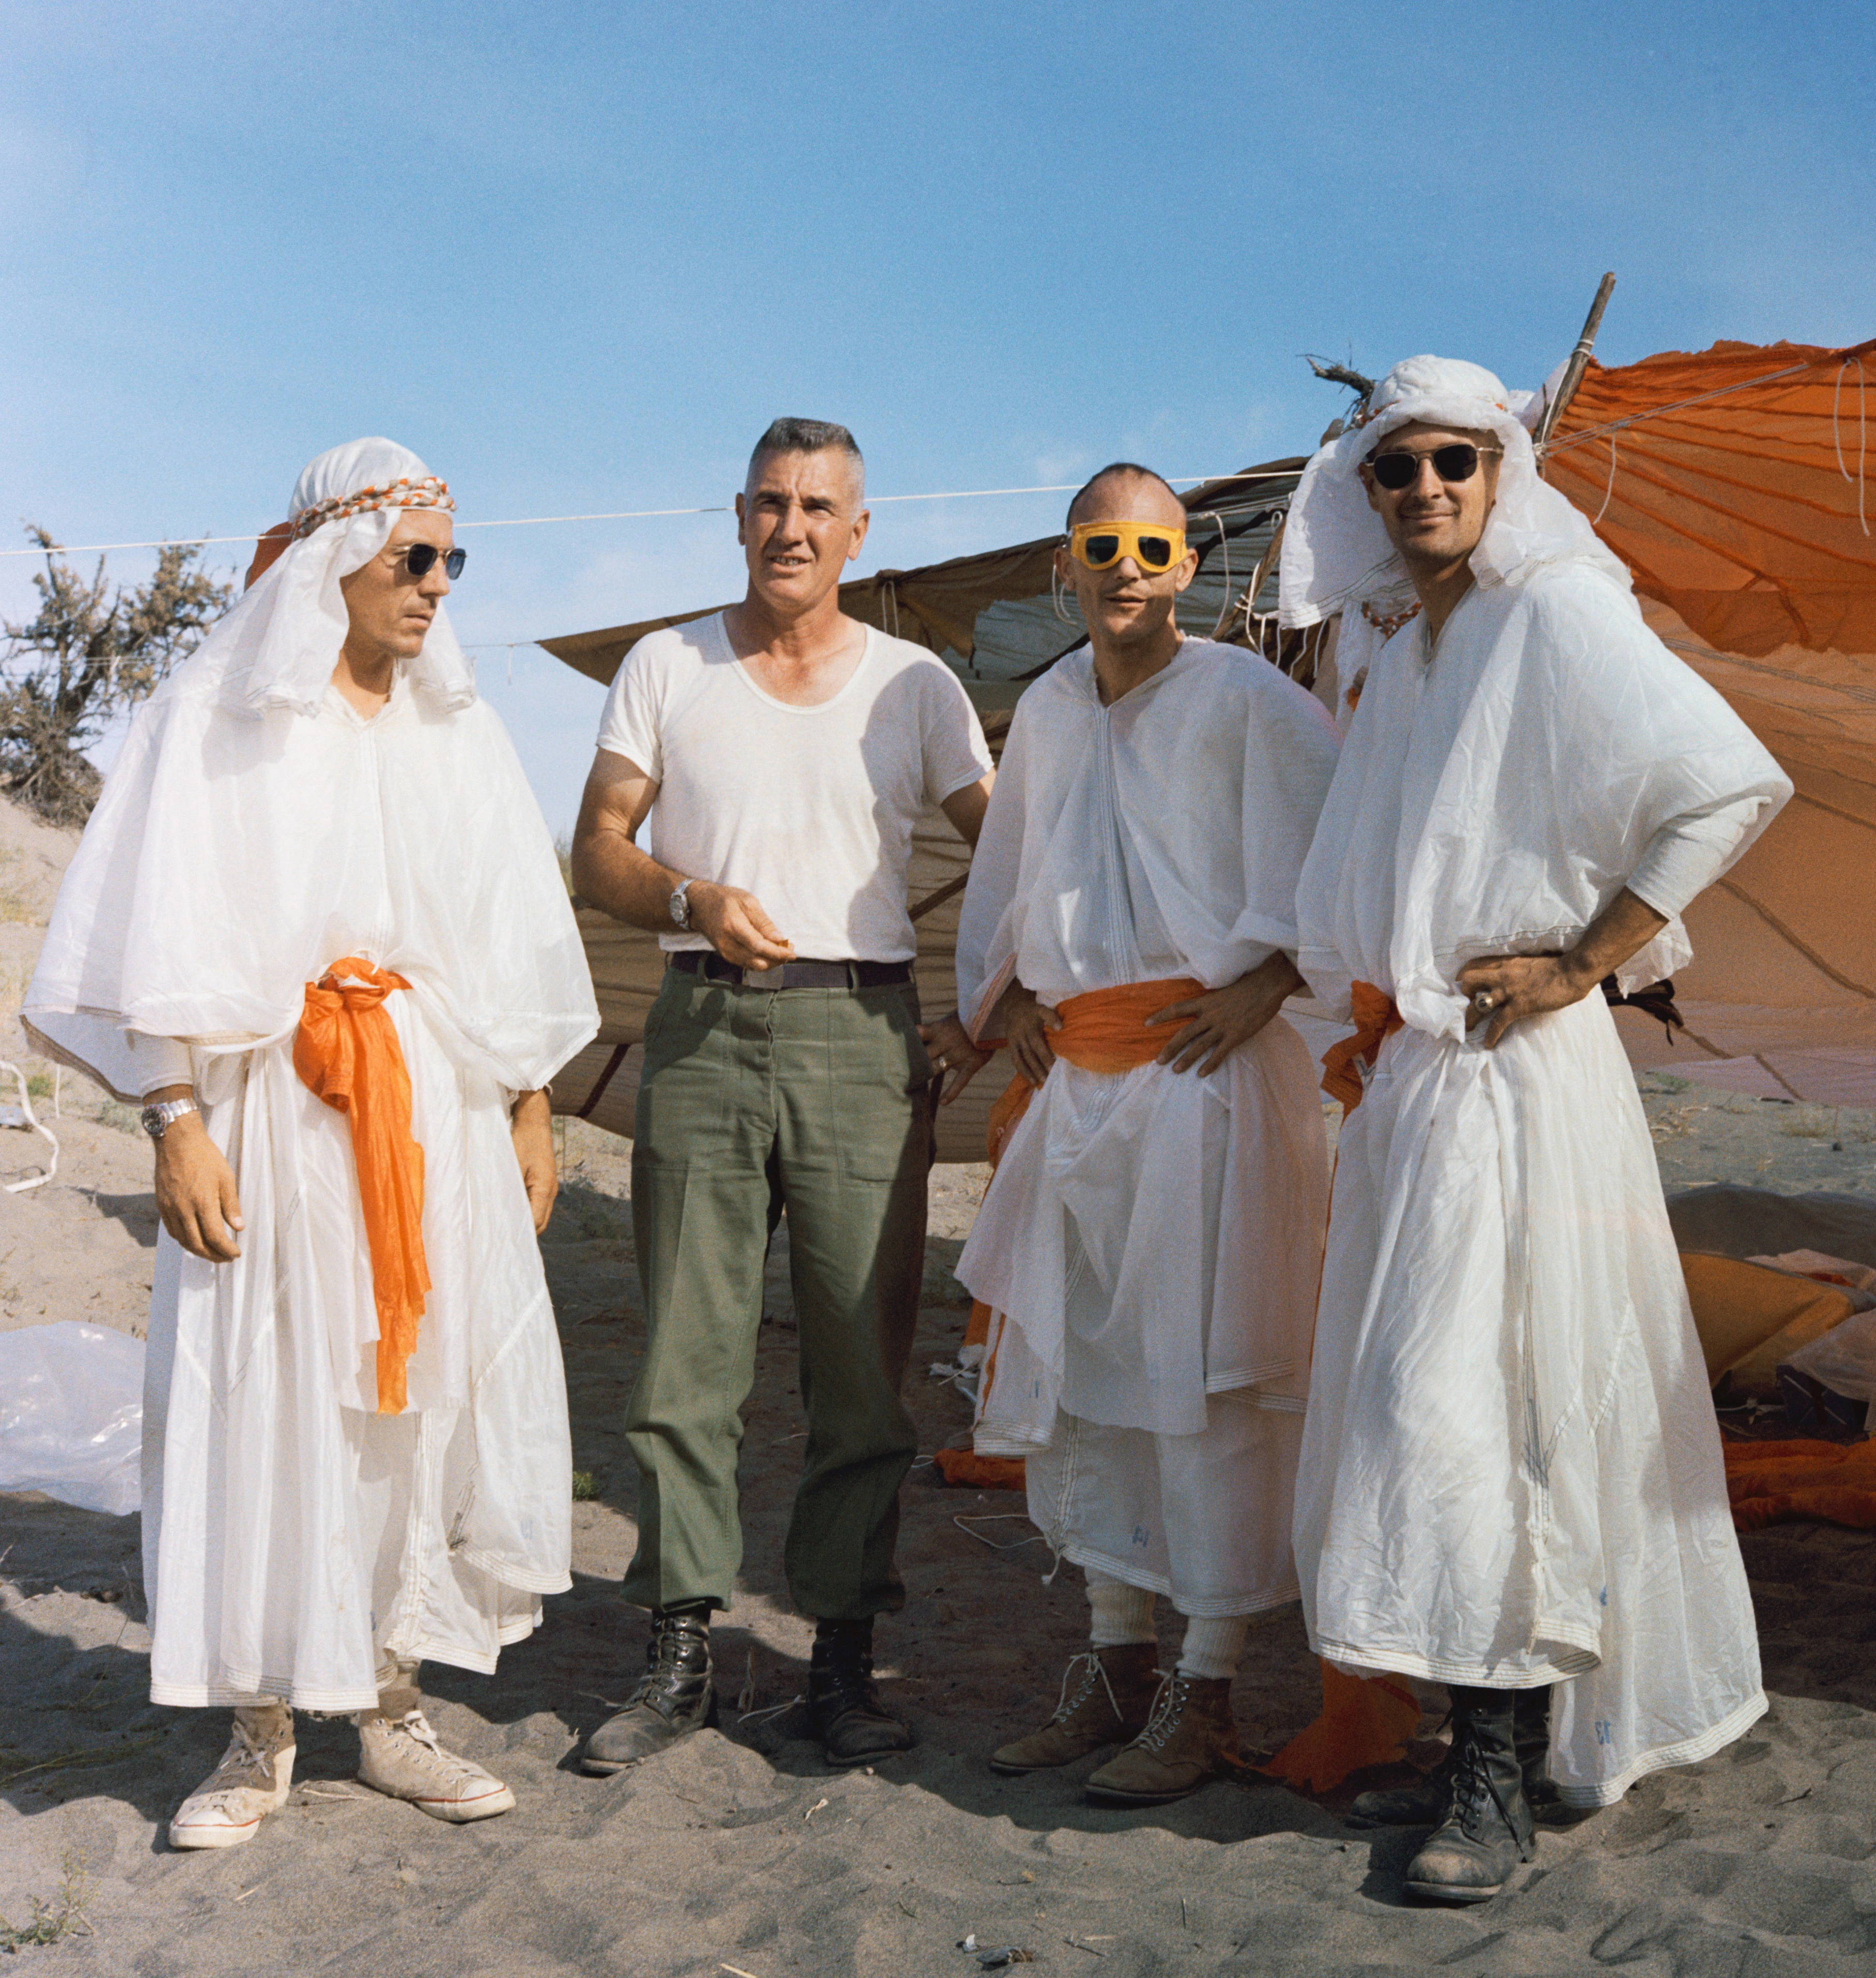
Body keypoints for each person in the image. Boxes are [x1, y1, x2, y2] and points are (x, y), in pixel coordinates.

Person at [27, 438, 599, 1849]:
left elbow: (508, 926)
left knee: (412, 1399)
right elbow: (151, 928)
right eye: (415, 557)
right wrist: (170, 1121)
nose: (436, 587)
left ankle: (392, 1705)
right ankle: (259, 1730)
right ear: (336, 552)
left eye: (452, 562)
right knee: (262, 1394)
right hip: (268, 1108)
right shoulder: (211, 716)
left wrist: (526, 1103)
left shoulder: (456, 729)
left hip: (431, 1109)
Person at [1281, 358, 1792, 1903]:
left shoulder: (1556, 612)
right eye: (1396, 466)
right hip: (1423, 1085)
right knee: (1416, 1410)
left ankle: (1497, 1774)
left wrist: (1589, 956)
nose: (1427, 486)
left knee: (1478, 1409)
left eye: (1456, 458)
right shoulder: (1407, 653)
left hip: (1518, 1075)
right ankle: (1468, 1739)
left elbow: (1728, 786)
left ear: (1499, 468)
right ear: (1365, 493)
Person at [569, 418, 993, 1774]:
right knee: (686, 1361)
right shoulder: (666, 665)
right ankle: (678, 1652)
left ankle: (843, 1664)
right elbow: (598, 852)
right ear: (736, 516)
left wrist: (990, 1014)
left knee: (861, 1374)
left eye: (820, 507)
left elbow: (1023, 845)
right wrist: (689, 897)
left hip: (864, 1035)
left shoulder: (917, 685)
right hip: (701, 1021)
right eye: (769, 503)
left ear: (861, 533)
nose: (792, 528)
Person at [945, 463, 1339, 1805]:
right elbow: (1014, 881)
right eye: (1100, 543)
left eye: (1150, 544)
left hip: (1208, 1094)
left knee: (1207, 1391)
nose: (1125, 565)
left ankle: (1207, 1688)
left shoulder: (1246, 701)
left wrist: (1272, 981)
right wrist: (1018, 1011)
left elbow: (1345, 854)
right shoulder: (1050, 709)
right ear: (1067, 564)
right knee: (1092, 1383)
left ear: (1186, 566)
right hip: (1086, 1097)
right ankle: (1116, 1662)